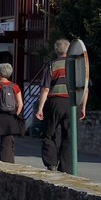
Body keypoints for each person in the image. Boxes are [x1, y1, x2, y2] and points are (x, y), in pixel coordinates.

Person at [38, 37, 87, 172]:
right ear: (70, 49)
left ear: (56, 50)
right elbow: (85, 88)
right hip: (73, 102)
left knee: (49, 133)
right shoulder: (77, 65)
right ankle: (66, 167)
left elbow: (45, 88)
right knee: (69, 136)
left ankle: (51, 162)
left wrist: (40, 108)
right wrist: (83, 107)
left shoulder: (52, 65)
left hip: (55, 102)